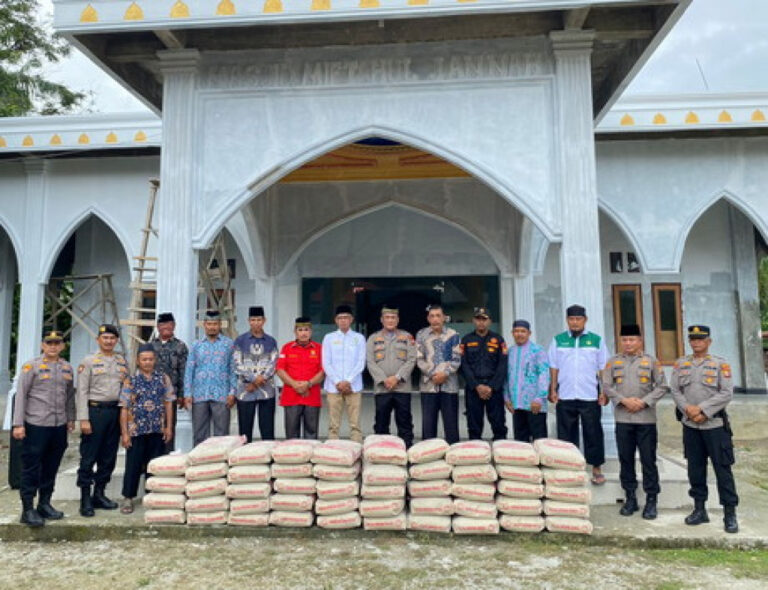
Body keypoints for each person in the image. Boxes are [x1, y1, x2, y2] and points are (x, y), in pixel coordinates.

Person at [671, 325, 739, 533]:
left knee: (722, 469)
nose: (696, 343)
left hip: (714, 426)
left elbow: (726, 393)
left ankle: (730, 513)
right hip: (691, 425)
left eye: (700, 339)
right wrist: (688, 410)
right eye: (693, 339)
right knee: (695, 469)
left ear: (709, 342)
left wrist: (702, 410)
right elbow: (675, 390)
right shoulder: (681, 363)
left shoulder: (720, 364)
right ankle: (700, 509)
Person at [602, 324, 668, 519]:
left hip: (645, 419)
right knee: (626, 459)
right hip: (623, 418)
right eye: (625, 340)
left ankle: (651, 500)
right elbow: (606, 385)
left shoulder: (651, 361)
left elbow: (662, 386)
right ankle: (630, 497)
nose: (628, 343)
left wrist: (644, 402)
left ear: (640, 341)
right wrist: (624, 401)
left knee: (648, 460)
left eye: (632, 340)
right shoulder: (613, 361)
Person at [12, 331, 75, 527]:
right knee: (31, 467)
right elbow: (21, 395)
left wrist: (70, 418)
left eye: (57, 343)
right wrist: (18, 424)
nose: (53, 346)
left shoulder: (67, 368)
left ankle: (45, 503)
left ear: (62, 346)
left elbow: (69, 396)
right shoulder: (31, 366)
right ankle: (27, 509)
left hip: (58, 425)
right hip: (36, 424)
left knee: (51, 466)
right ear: (43, 345)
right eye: (49, 343)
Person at [548, 305, 609, 485]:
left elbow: (603, 368)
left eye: (578, 319)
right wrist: (553, 389)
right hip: (566, 394)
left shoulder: (596, 340)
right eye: (571, 319)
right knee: (566, 434)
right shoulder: (558, 340)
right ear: (567, 320)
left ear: (585, 320)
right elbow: (554, 367)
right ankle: (569, 467)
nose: (575, 322)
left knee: (593, 432)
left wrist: (604, 391)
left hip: (589, 394)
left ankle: (596, 467)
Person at [76, 323, 129, 517]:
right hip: (95, 412)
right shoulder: (89, 361)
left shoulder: (121, 361)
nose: (108, 341)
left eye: (112, 338)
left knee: (108, 456)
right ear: (98, 340)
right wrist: (83, 419)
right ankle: (85, 498)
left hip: (114, 412)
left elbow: (126, 388)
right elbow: (81, 391)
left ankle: (99, 493)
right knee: (89, 456)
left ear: (116, 340)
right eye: (105, 338)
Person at [118, 343, 174, 514]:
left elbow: (168, 403)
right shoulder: (130, 380)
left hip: (157, 429)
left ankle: (152, 495)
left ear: (154, 360)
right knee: (133, 465)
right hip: (136, 430)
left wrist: (168, 427)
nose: (147, 362)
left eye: (150, 359)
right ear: (138, 361)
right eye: (144, 359)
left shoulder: (163, 378)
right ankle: (128, 498)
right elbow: (124, 408)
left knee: (154, 465)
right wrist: (125, 433)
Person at [183, 310, 236, 446]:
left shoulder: (228, 344)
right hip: (200, 395)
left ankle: (220, 459)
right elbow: (189, 370)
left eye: (215, 324)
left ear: (220, 325)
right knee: (199, 434)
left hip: (222, 394)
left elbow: (233, 369)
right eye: (209, 324)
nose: (212, 327)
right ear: (204, 325)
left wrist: (232, 392)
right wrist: (187, 393)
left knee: (222, 434)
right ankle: (199, 459)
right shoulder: (196, 345)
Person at [366, 305, 417, 447]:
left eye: (393, 317)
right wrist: (384, 380)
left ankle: (406, 449)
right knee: (381, 423)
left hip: (402, 387)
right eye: (387, 317)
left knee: (405, 422)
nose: (390, 320)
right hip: (382, 388)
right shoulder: (373, 338)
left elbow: (412, 359)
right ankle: (382, 452)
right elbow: (370, 361)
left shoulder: (407, 337)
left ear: (398, 320)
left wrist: (397, 377)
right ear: (381, 320)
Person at [416, 304, 462, 444]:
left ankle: (453, 454)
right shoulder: (421, 335)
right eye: (432, 316)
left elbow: (457, 358)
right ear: (428, 318)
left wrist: (445, 374)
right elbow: (418, 359)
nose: (435, 319)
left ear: (444, 318)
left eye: (438, 316)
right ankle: (428, 454)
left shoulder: (453, 335)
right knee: (428, 427)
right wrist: (433, 375)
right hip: (429, 387)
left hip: (449, 386)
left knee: (451, 427)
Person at [460, 307, 508, 440]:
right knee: (473, 426)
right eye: (478, 319)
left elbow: (502, 365)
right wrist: (476, 386)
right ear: (473, 321)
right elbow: (463, 365)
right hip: (473, 389)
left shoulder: (499, 340)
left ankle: (500, 449)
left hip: (494, 389)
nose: (481, 322)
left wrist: (491, 387)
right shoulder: (466, 340)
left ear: (490, 321)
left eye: (484, 319)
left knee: (499, 424)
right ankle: (476, 450)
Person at [233, 306, 278, 442]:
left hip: (266, 391)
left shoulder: (271, 341)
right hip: (245, 391)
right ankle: (245, 454)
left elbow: (274, 363)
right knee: (245, 432)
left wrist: (260, 380)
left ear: (264, 321)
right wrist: (253, 379)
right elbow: (237, 364)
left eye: (259, 320)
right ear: (249, 321)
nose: (256, 323)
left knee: (267, 430)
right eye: (253, 320)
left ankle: (267, 454)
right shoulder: (240, 340)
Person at [322, 305, 366, 443]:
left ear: (351, 319)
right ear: (335, 320)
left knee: (355, 424)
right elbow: (326, 362)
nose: (343, 320)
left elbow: (361, 362)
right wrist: (338, 382)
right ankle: (333, 449)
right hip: (333, 386)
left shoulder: (359, 338)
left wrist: (348, 381)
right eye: (340, 318)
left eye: (346, 317)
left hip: (354, 386)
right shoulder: (329, 338)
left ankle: (356, 448)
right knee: (333, 425)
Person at [276, 317, 324, 439]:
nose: (303, 333)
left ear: (311, 332)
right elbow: (280, 370)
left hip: (311, 395)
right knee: (291, 434)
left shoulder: (319, 348)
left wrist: (308, 384)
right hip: (291, 396)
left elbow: (323, 371)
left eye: (306, 330)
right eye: (300, 330)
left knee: (311, 433)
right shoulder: (287, 348)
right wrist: (294, 384)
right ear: (295, 332)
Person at [504, 319, 549, 442]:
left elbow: (544, 375)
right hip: (516, 404)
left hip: (535, 404)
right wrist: (506, 398)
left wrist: (539, 398)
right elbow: (506, 377)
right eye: (516, 331)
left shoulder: (538, 351)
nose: (519, 334)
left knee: (539, 441)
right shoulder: (510, 352)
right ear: (512, 333)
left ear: (529, 333)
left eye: (523, 331)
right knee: (520, 442)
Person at [150, 312, 188, 453]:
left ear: (174, 326)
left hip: (171, 396)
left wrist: (182, 395)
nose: (166, 327)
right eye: (162, 324)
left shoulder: (180, 346)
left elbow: (183, 371)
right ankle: (150, 460)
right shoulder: (150, 346)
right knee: (151, 429)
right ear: (158, 326)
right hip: (151, 395)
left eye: (169, 324)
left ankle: (166, 459)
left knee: (169, 429)